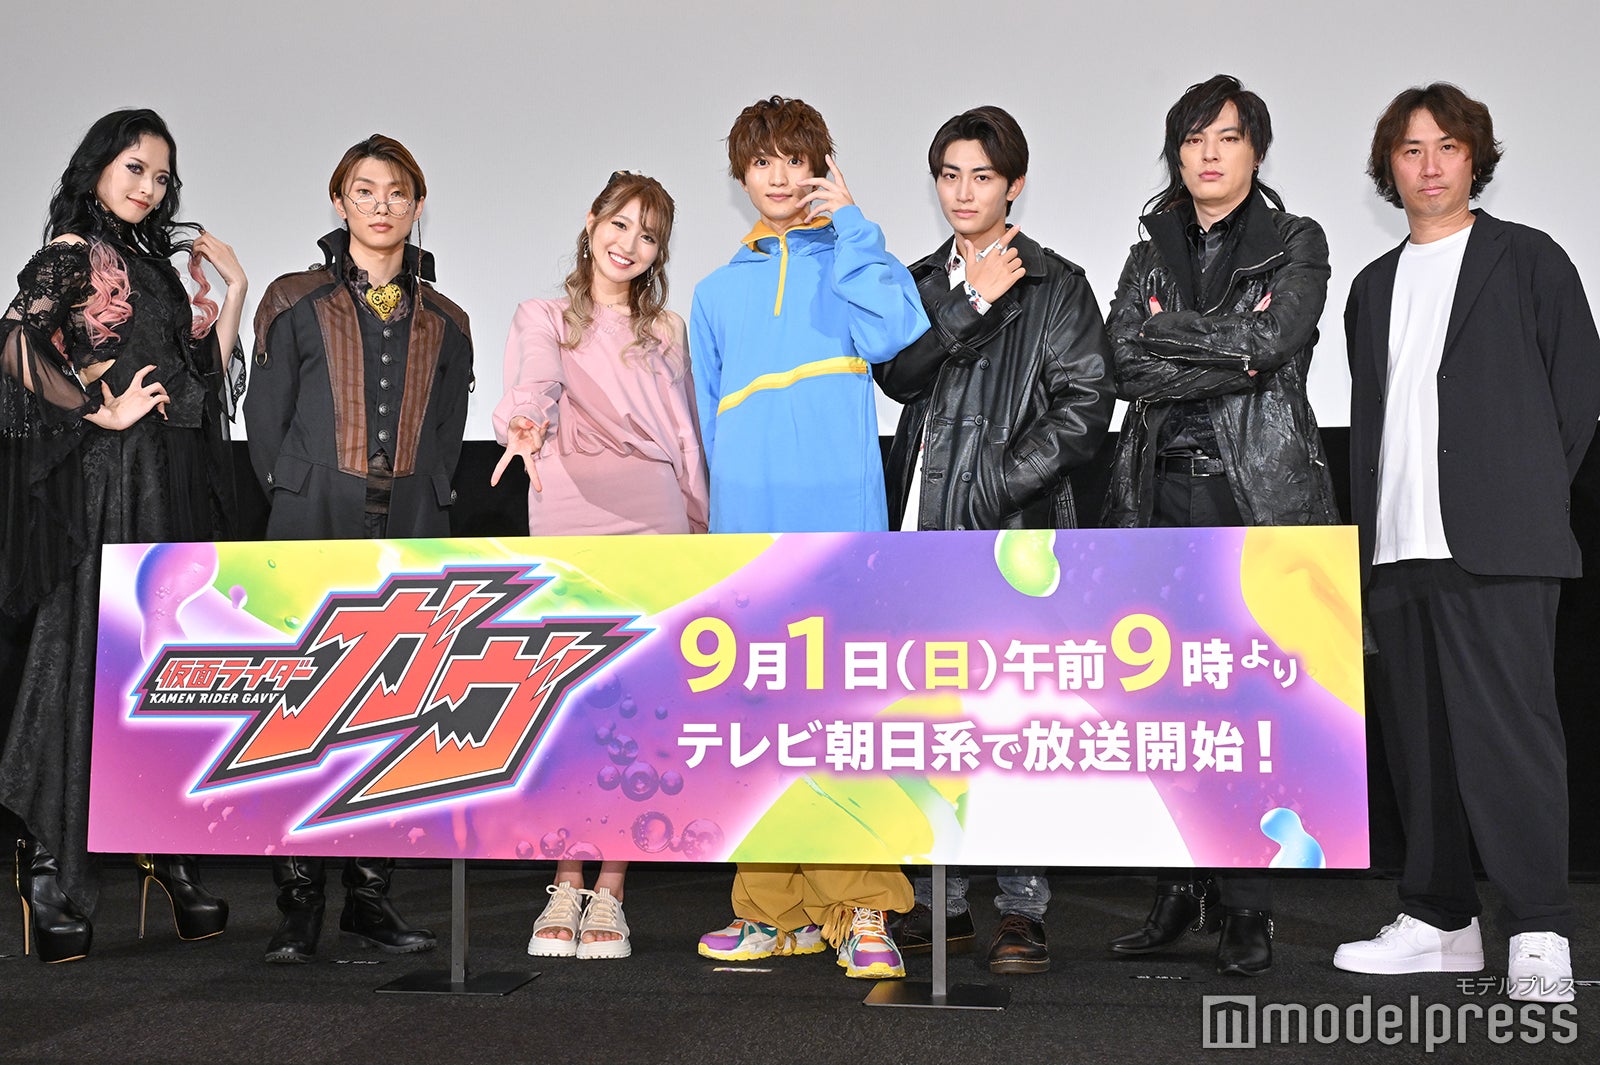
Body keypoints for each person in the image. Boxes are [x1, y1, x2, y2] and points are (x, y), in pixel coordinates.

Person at [1334, 84, 1600, 1005]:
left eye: (1447, 146)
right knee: (1421, 746)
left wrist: (1520, 496)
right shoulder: (1371, 287)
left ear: (1474, 158)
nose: (1431, 165)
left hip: (1500, 546)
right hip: (1397, 549)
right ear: (1390, 167)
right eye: (1411, 150)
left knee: (1512, 742)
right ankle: (1441, 920)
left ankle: (1539, 927)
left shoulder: (1528, 259)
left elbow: (1577, 397)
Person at [1101, 75, 1338, 977]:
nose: (1208, 154)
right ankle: (1176, 889)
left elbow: (1272, 346)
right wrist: (1228, 349)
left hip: (1254, 499)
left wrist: (1180, 336)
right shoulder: (1148, 252)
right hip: (1158, 494)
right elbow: (1123, 362)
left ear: (1255, 150)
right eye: (1194, 139)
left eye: (1227, 137)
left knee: (1248, 706)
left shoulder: (1296, 240)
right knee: (1165, 702)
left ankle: (1246, 906)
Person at [689, 94, 928, 979]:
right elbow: (709, 427)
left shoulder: (855, 259)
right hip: (750, 536)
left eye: (798, 159)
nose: (782, 177)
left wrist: (855, 226)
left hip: (842, 533)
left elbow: (899, 333)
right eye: (764, 162)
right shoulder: (715, 292)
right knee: (759, 725)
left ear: (823, 167)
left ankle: (864, 907)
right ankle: (769, 910)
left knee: (848, 721)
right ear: (742, 175)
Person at [0, 109, 245, 962]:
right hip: (109, 484)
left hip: (168, 480)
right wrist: (96, 413)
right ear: (98, 167)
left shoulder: (151, 263)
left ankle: (163, 848)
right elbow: (14, 346)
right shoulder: (74, 251)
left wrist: (234, 294)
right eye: (135, 167)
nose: (149, 186)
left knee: (161, 666)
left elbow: (197, 376)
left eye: (161, 175)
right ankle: (48, 864)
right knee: (85, 659)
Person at [874, 105, 1114, 974]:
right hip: (919, 529)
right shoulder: (920, 280)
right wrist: (969, 302)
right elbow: (896, 374)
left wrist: (994, 486)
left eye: (981, 175)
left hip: (1016, 533)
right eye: (949, 175)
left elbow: (1085, 407)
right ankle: (937, 901)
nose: (963, 192)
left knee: (1013, 723)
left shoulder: (1057, 284)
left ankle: (1021, 907)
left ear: (1014, 185)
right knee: (929, 721)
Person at [246, 134, 473, 963]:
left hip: (410, 525)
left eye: (397, 191)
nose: (382, 204)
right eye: (365, 189)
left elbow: (447, 435)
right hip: (311, 521)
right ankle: (298, 901)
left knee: (394, 712)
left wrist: (423, 500)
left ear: (417, 205)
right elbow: (265, 422)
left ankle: (369, 898)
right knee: (299, 710)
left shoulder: (448, 319)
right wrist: (299, 494)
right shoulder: (293, 298)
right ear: (339, 201)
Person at [491, 170, 708, 960]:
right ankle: (564, 878)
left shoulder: (668, 329)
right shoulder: (543, 314)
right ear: (591, 223)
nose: (629, 244)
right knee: (568, 704)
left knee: (638, 707)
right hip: (569, 515)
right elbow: (535, 379)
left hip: (652, 515)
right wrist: (523, 421)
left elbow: (685, 432)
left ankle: (611, 887)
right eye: (620, 224)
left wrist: (698, 524)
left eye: (648, 235)